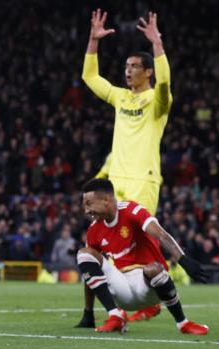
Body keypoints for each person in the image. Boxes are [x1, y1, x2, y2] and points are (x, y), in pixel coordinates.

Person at [77, 10, 174, 327]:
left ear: (148, 71)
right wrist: (93, 42)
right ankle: (91, 313)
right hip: (114, 183)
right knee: (94, 245)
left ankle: (151, 301)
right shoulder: (121, 98)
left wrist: (157, 44)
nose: (128, 71)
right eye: (126, 66)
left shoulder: (157, 103)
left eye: (134, 67)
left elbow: (165, 85)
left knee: (141, 245)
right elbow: (90, 78)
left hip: (144, 182)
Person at [77, 178, 209, 335]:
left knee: (153, 269)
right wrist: (88, 313)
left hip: (150, 286)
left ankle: (183, 323)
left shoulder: (131, 210)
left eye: (89, 203)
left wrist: (183, 259)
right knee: (85, 255)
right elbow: (89, 274)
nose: (86, 210)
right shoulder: (94, 230)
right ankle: (115, 316)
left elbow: (160, 234)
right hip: (122, 289)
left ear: (106, 199)